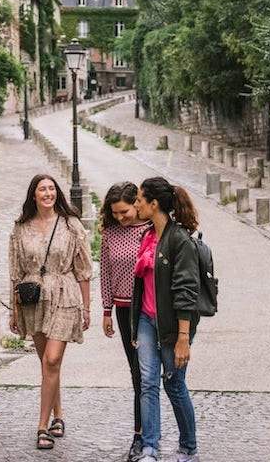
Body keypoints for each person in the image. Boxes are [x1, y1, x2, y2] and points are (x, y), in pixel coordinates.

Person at [8, 174, 93, 450]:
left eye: (52, 189)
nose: (48, 193)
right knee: (47, 362)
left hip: (65, 294)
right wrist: (13, 310)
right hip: (33, 298)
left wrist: (87, 307)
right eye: (42, 189)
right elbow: (15, 272)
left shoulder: (71, 225)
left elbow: (83, 269)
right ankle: (59, 414)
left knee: (52, 360)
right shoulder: (20, 228)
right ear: (34, 195)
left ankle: (42, 427)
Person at [132, 177, 201, 462]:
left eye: (139, 200)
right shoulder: (147, 236)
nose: (136, 204)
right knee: (148, 383)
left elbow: (186, 291)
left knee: (173, 384)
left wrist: (184, 339)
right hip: (147, 321)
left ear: (154, 204)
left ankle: (188, 447)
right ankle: (150, 448)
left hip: (173, 328)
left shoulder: (179, 240)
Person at [100, 181, 150, 462]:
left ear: (136, 204)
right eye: (115, 213)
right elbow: (105, 273)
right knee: (136, 373)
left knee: (149, 374)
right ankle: (139, 435)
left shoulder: (150, 230)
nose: (120, 217)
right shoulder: (109, 233)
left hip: (148, 308)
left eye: (124, 211)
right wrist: (106, 311)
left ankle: (148, 433)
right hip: (122, 309)